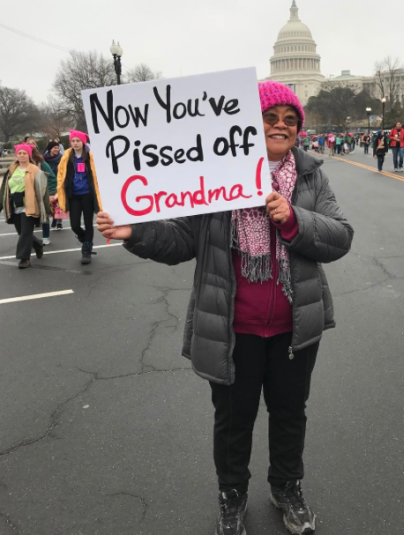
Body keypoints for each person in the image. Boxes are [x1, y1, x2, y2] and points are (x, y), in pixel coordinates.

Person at [96, 80, 354, 535]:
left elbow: (340, 236)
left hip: (295, 327)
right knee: (233, 421)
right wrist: (134, 233)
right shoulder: (214, 178)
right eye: (270, 117)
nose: (280, 126)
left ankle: (286, 486)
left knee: (290, 414)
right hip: (233, 328)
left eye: (289, 119)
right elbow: (180, 240)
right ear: (249, 126)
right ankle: (231, 494)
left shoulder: (312, 176)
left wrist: (295, 219)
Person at [57, 130, 102, 265]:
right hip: (74, 196)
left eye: (78, 141)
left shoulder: (90, 156)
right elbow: (61, 175)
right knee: (75, 225)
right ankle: (85, 239)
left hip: (88, 195)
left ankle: (86, 250)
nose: (75, 143)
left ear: (83, 142)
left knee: (89, 223)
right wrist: (58, 193)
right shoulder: (66, 157)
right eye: (73, 141)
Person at [0, 143, 49, 269]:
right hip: (15, 205)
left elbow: (43, 190)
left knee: (26, 232)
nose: (22, 156)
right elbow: (4, 190)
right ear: (17, 155)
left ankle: (24, 259)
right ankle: (37, 244)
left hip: (30, 205)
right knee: (21, 232)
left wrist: (47, 208)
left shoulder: (35, 170)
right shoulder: (11, 170)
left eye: (24, 153)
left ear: (29, 155)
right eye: (20, 153)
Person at [30, 147, 56, 245]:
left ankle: (45, 237)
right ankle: (31, 239)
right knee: (29, 218)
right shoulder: (21, 165)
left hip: (42, 194)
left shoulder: (42, 163)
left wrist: (51, 193)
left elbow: (52, 178)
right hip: (29, 196)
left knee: (44, 216)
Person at [44, 141, 64, 230]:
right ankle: (54, 218)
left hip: (60, 183)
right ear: (50, 149)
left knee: (60, 203)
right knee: (51, 203)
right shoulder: (44, 159)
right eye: (54, 148)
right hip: (49, 183)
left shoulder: (61, 158)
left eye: (57, 147)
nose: (56, 149)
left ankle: (59, 222)